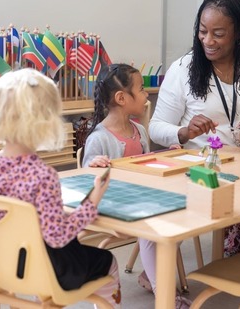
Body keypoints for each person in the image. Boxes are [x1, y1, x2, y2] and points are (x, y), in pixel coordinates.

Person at [0, 68, 121, 308]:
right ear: (46, 121)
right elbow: (58, 237)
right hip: (44, 270)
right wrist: (93, 200)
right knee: (108, 261)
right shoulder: (42, 176)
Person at [149, 0, 240, 256]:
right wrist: (184, 131)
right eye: (203, 31)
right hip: (202, 164)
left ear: (238, 34)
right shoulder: (183, 69)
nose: (208, 41)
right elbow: (156, 127)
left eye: (218, 34)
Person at [82, 63, 191, 309]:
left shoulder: (140, 131)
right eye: (141, 89)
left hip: (140, 201)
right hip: (114, 207)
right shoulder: (99, 137)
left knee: (179, 221)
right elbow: (85, 176)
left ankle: (150, 275)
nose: (145, 95)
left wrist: (167, 156)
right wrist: (93, 164)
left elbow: (144, 167)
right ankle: (165, 297)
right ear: (122, 98)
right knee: (156, 230)